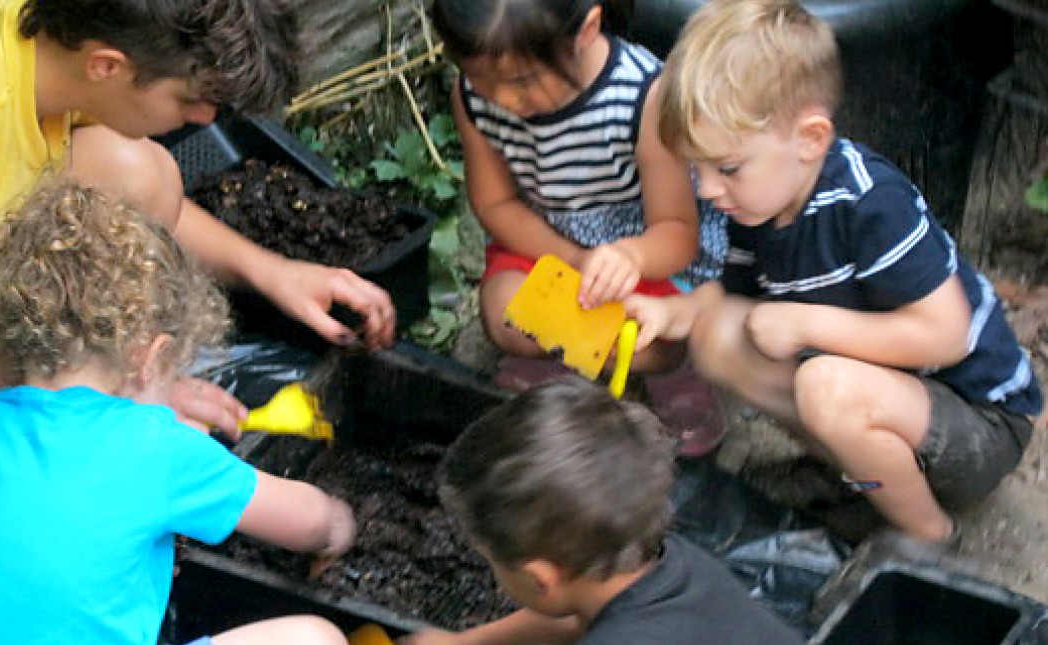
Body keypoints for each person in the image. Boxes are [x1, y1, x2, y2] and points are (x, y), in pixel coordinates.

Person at [0, 0, 392, 594]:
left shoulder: (53, 38)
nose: (206, 121)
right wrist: (103, 420)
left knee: (137, 175)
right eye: (193, 99)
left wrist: (271, 270)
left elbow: (127, 181)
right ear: (107, 66)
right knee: (68, 312)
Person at [625, 0, 1043, 543]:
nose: (706, 189)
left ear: (810, 139)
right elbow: (727, 296)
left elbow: (946, 336)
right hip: (887, 405)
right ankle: (866, 477)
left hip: (977, 428)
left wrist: (803, 324)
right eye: (696, 168)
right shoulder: (759, 205)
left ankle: (926, 533)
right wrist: (669, 310)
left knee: (826, 386)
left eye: (726, 167)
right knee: (718, 334)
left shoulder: (870, 205)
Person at [0, 181, 356, 645]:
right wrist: (338, 527)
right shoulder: (157, 450)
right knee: (316, 637)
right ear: (148, 357)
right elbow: (306, 521)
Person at [429, 0, 727, 374]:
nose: (502, 99)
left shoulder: (645, 97)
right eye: (477, 76)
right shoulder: (474, 97)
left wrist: (630, 258)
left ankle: (670, 374)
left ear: (586, 31)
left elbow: (678, 233)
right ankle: (567, 360)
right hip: (543, 243)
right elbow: (495, 204)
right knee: (506, 314)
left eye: (523, 80)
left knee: (647, 344)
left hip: (643, 260)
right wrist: (571, 259)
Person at [401, 378, 804, 645]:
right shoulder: (671, 566)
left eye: (493, 562)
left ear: (538, 577)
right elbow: (573, 618)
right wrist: (464, 643)